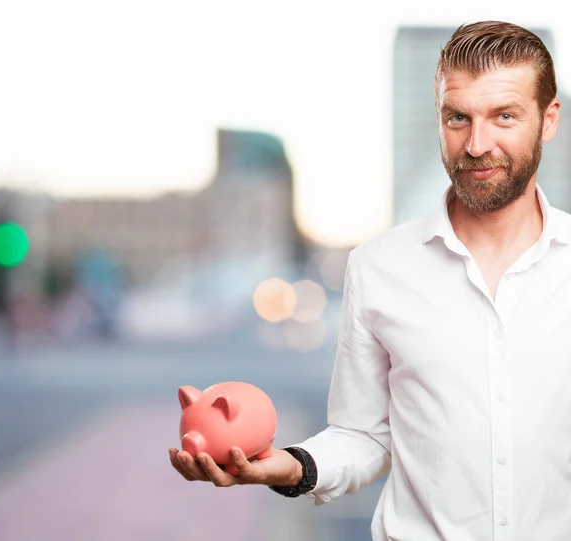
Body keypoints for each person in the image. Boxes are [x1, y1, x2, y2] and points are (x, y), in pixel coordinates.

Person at [169, 20, 571, 540]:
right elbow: (363, 435)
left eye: (504, 117)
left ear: (548, 119)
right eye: (457, 118)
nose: (476, 144)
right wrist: (292, 467)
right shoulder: (378, 267)